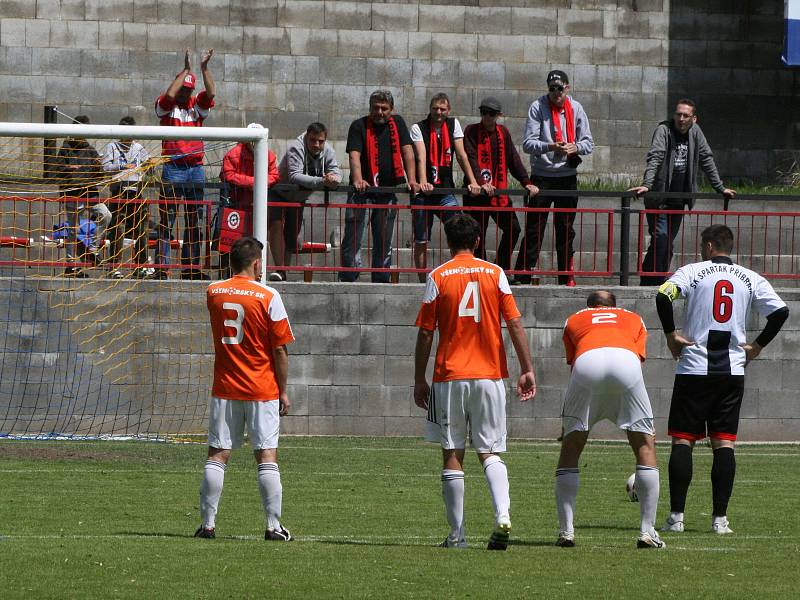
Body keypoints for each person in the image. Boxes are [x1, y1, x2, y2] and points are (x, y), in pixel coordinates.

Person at [414, 213, 536, 550]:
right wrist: (527, 367)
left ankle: (457, 536)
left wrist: (418, 378)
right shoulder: (496, 273)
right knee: (491, 451)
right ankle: (502, 515)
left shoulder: (437, 276)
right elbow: (513, 322)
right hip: (490, 376)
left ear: (447, 241)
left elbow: (426, 332)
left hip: (450, 376)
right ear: (478, 241)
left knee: (452, 452)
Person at [656, 224, 788, 535]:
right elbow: (780, 312)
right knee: (724, 444)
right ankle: (719, 520)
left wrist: (670, 335)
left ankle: (677, 517)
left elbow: (663, 296)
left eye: (704, 245)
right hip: (731, 369)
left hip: (694, 367)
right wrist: (756, 346)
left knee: (682, 440)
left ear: (711, 246)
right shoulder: (750, 278)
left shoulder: (692, 271)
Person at [195, 236, 295, 541]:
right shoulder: (268, 296)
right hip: (261, 388)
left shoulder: (213, 292)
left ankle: (207, 525)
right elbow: (280, 349)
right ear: (256, 264)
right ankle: (273, 526)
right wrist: (284, 390)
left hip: (225, 385)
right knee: (266, 456)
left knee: (218, 454)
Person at [556, 290, 664, 549]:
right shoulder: (634, 318)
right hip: (626, 365)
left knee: (571, 448)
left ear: (589, 306)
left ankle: (566, 531)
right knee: (644, 446)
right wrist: (645, 425)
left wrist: (568, 424)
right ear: (615, 306)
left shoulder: (574, 318)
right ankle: (647, 532)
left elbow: (574, 363)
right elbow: (636, 361)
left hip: (586, 366)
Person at [629, 99, 736, 286]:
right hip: (660, 197)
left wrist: (720, 187)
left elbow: (706, 159)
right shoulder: (664, 131)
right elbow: (656, 156)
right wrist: (647, 184)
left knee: (666, 241)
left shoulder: (696, 133)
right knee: (661, 237)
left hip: (679, 198)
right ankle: (653, 279)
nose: (681, 118)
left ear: (694, 118)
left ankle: (653, 277)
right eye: (678, 114)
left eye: (685, 115)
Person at [515, 70, 593, 286]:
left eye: (560, 88)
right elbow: (528, 144)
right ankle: (524, 274)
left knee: (566, 229)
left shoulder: (576, 108)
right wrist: (550, 146)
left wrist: (574, 146)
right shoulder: (537, 107)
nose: (556, 92)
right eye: (552, 88)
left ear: (567, 88)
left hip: (567, 175)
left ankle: (565, 276)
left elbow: (588, 143)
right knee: (534, 228)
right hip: (542, 175)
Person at [339, 90, 418, 283]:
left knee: (384, 239)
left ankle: (381, 277)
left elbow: (407, 151)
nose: (379, 112)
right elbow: (354, 154)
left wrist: (412, 180)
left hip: (387, 191)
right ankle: (349, 277)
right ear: (369, 107)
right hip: (362, 192)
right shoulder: (358, 125)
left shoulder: (398, 123)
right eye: (376, 108)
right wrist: (358, 178)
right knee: (354, 237)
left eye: (384, 108)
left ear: (391, 109)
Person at [155, 48, 215, 280]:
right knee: (167, 219)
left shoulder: (196, 106)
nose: (184, 93)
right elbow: (169, 95)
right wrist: (186, 69)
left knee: (194, 220)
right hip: (173, 168)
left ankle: (191, 268)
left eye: (188, 89)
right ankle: (162, 268)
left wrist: (203, 68)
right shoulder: (166, 106)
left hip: (195, 169)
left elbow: (211, 92)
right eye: (184, 88)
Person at [411, 93, 481, 282]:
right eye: (435, 109)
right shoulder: (419, 127)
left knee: (460, 230)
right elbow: (420, 156)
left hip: (445, 190)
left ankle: (458, 274)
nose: (439, 112)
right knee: (421, 239)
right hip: (423, 193)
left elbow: (461, 155)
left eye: (442, 109)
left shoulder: (453, 124)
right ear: (430, 109)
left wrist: (473, 181)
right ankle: (422, 281)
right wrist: (424, 181)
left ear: (448, 110)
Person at [462, 97, 538, 272]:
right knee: (476, 235)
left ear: (498, 115)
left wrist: (526, 182)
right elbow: (471, 158)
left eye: (491, 114)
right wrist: (481, 183)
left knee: (513, 229)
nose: (487, 117)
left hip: (498, 193)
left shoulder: (503, 133)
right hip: (477, 194)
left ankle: (499, 268)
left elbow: (513, 159)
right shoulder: (471, 131)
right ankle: (480, 272)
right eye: (483, 113)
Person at [271, 122, 341, 282]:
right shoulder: (296, 147)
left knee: (292, 237)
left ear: (325, 140)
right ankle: (279, 269)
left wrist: (333, 180)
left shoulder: (328, 150)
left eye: (320, 141)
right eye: (313, 140)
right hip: (279, 193)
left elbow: (336, 172)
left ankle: (283, 271)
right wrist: (323, 181)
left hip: (299, 197)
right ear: (307, 138)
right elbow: (295, 176)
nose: (316, 144)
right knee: (276, 228)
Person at [54, 114, 112, 277]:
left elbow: (99, 177)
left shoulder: (90, 150)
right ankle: (70, 265)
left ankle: (93, 246)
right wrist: (69, 170)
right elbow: (56, 171)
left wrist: (98, 167)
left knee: (105, 214)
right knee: (73, 230)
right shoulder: (66, 148)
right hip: (73, 193)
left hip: (89, 193)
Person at [220, 123, 280, 278]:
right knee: (232, 243)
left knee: (256, 242)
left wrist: (254, 183)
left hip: (256, 207)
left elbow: (274, 175)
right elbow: (228, 175)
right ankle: (229, 273)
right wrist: (254, 182)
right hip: (236, 205)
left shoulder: (269, 155)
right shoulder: (233, 154)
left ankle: (258, 273)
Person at [102, 116, 152, 279]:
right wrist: (122, 166)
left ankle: (142, 265)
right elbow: (105, 167)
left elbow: (148, 166)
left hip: (136, 191)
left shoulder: (138, 147)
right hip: (119, 191)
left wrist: (149, 166)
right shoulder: (112, 146)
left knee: (141, 229)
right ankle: (114, 265)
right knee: (118, 229)